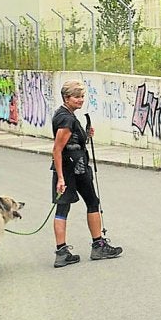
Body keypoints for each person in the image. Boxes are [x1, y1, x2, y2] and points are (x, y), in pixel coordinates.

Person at [51, 80, 123, 267]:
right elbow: (57, 149)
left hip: (68, 167)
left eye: (82, 96)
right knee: (92, 202)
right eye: (76, 97)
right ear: (66, 98)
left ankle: (62, 252)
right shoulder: (67, 119)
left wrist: (86, 135)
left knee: (63, 207)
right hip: (76, 168)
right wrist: (60, 178)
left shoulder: (64, 115)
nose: (81, 100)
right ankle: (98, 245)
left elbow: (69, 143)